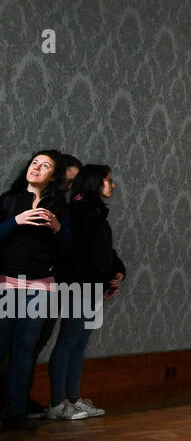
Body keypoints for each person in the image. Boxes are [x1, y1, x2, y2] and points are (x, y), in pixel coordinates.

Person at [0, 151, 72, 430]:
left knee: (24, 351)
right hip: (7, 285)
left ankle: (15, 413)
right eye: (34, 163)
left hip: (41, 289)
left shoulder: (60, 208)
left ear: (52, 176)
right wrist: (16, 221)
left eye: (45, 166)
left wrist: (57, 228)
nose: (37, 168)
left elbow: (67, 252)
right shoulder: (9, 200)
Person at [46, 164, 124, 421]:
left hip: (92, 286)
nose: (112, 185)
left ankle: (73, 399)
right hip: (79, 286)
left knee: (79, 344)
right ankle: (58, 403)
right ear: (95, 182)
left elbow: (104, 251)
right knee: (69, 341)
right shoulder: (79, 209)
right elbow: (72, 251)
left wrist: (118, 271)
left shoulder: (95, 211)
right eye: (108, 180)